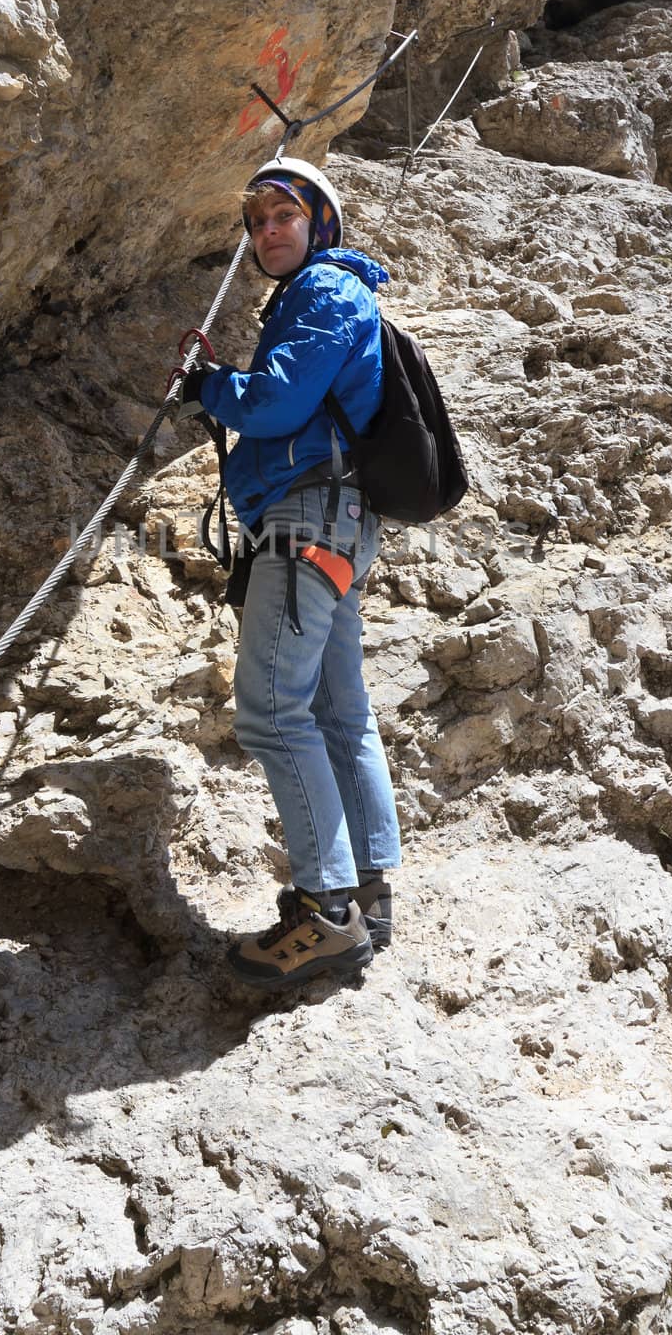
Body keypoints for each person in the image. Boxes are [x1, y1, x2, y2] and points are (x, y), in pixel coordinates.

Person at [180, 158, 402, 990]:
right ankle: (366, 895)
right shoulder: (341, 294)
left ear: (320, 221)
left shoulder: (324, 292)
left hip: (306, 520)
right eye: (256, 220)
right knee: (337, 711)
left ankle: (326, 914)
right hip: (337, 522)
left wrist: (213, 386)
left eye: (284, 215)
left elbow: (273, 404)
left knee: (274, 714)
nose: (267, 231)